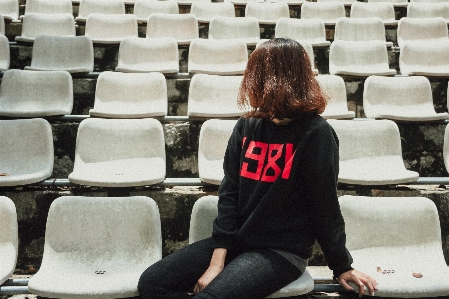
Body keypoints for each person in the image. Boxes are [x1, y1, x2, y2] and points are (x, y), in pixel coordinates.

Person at [138, 38, 378, 299]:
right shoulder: (247, 126)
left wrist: (341, 266)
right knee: (152, 283)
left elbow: (324, 206)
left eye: (255, 73)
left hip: (281, 252)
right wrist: (217, 263)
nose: (248, 80)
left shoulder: (316, 134)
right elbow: (230, 195)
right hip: (236, 245)